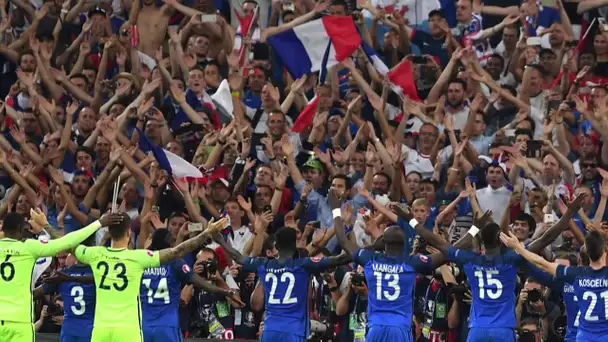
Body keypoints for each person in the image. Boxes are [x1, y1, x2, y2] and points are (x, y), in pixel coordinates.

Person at [408, 194, 585, 342]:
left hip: (478, 329)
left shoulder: (470, 259)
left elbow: (437, 242)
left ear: (482, 242)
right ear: (500, 240)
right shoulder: (512, 259)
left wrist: (410, 220)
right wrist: (569, 212)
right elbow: (546, 238)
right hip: (503, 330)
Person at [74, 213, 229, 342]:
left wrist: (70, 277)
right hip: (167, 326)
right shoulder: (172, 263)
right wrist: (223, 292)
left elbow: (102, 278)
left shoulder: (139, 264)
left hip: (143, 326)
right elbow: (200, 282)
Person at [330, 189, 438, 342]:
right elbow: (447, 251)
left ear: (382, 242)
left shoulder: (370, 259)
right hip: (400, 329)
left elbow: (342, 240)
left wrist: (335, 209)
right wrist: (412, 222)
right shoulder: (412, 263)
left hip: (376, 329)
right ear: (404, 244)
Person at [210, 224, 350, 342]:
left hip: (270, 329)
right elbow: (339, 259)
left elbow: (238, 257)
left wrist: (221, 241)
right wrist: (340, 220)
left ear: (276, 244)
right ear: (294, 246)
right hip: (294, 330)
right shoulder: (303, 265)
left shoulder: (264, 264)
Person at [0, 211, 122, 342]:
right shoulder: (29, 247)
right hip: (20, 322)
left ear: (3, 229)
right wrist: (99, 223)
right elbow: (67, 242)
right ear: (20, 229)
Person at [501, 230, 608, 340]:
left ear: (581, 258)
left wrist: (518, 248)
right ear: (605, 251)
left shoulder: (574, 274)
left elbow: (542, 263)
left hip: (582, 337)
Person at [141, 228, 243, 342]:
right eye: (201, 261)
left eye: (209, 261)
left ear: (216, 263)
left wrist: (219, 280)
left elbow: (237, 303)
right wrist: (192, 277)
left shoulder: (226, 278)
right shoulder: (186, 275)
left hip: (222, 335)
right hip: (194, 334)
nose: (205, 265)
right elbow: (183, 300)